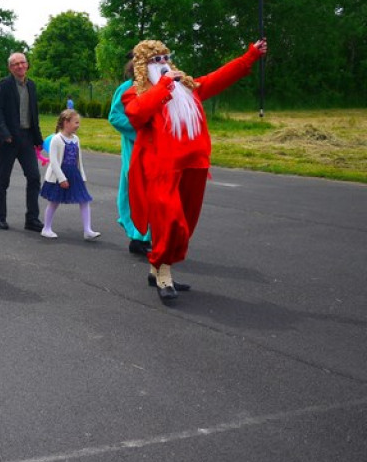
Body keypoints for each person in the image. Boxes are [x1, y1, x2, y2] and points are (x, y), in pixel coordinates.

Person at [123, 38, 268, 302]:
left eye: (166, 58)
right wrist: (166, 85)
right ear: (144, 65)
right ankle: (163, 272)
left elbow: (220, 77)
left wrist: (250, 56)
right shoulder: (136, 93)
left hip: (193, 166)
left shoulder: (188, 89)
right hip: (160, 170)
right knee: (170, 221)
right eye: (157, 61)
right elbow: (137, 114)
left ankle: (156, 268)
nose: (164, 64)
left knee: (186, 223)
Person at [0, 53, 45, 231]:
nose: (20, 66)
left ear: (27, 65)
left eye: (22, 63)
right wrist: (4, 133)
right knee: (3, 179)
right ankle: (0, 216)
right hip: (8, 140)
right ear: (10, 68)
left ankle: (32, 219)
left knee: (34, 177)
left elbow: (33, 114)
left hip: (27, 138)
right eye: (15, 64)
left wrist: (38, 139)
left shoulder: (31, 85)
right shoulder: (4, 85)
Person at [108, 53, 153, 256]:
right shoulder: (126, 88)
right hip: (135, 147)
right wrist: (140, 131)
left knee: (153, 192)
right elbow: (115, 116)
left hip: (157, 149)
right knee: (135, 190)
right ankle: (137, 236)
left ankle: (147, 235)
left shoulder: (157, 87)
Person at [39, 109, 100, 241]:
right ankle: (46, 228)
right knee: (54, 201)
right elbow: (54, 162)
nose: (78, 125)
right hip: (59, 176)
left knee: (84, 200)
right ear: (66, 123)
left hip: (74, 173)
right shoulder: (56, 139)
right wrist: (61, 178)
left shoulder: (76, 139)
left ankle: (87, 230)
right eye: (76, 122)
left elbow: (79, 160)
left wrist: (82, 176)